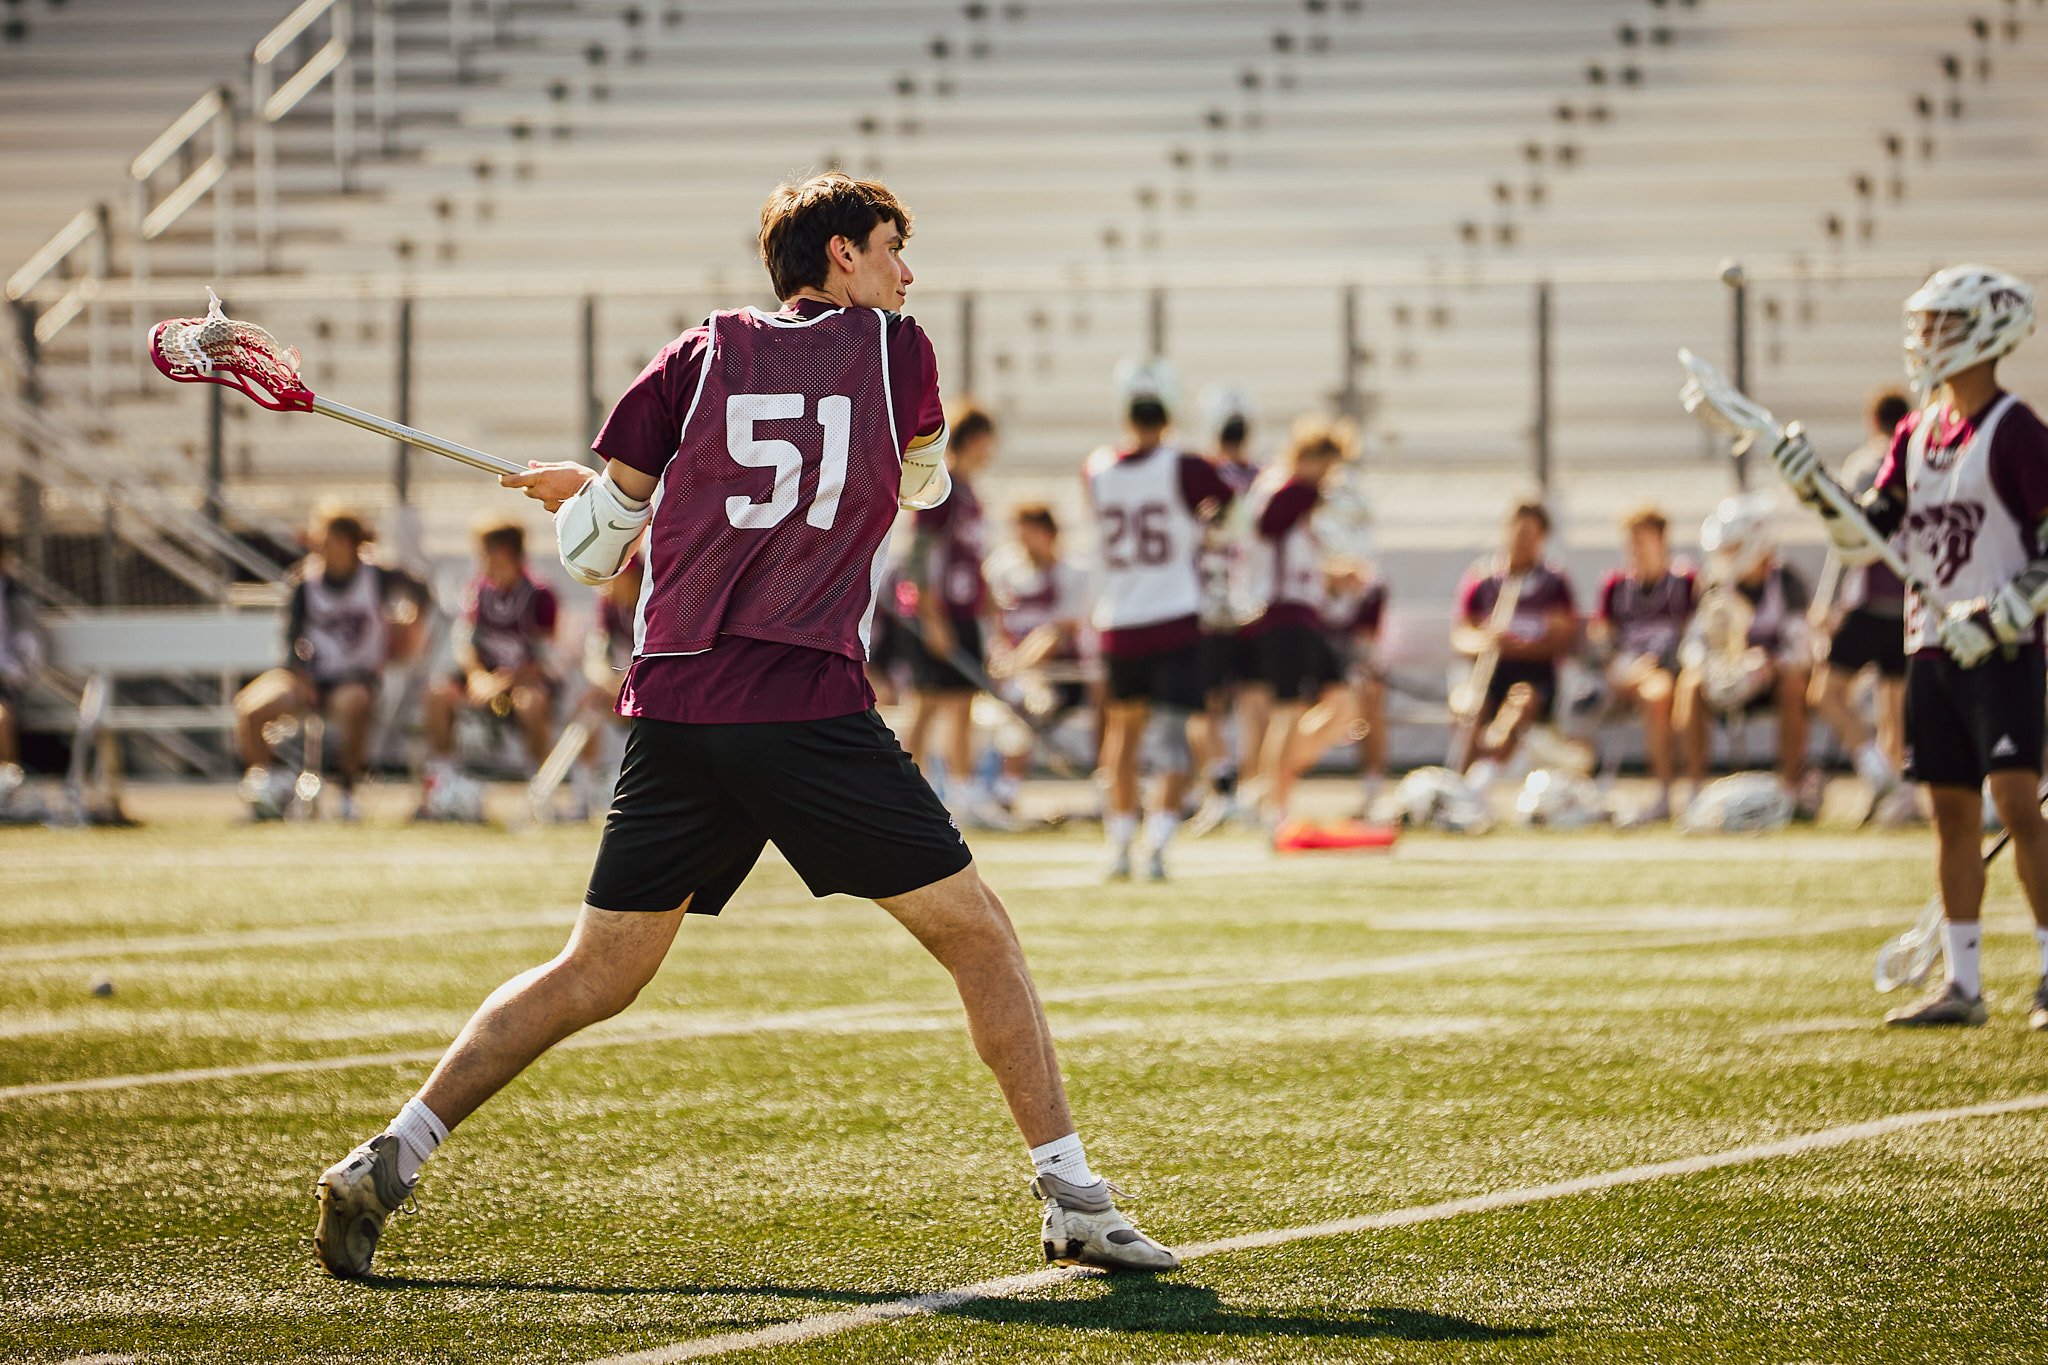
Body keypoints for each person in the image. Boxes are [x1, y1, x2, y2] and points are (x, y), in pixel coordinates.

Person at [313, 172, 1175, 1279]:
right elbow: (908, 486)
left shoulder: (694, 354)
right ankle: (1070, 1194)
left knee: (595, 973)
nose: (906, 273)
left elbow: (592, 554)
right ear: (838, 259)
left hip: (673, 704)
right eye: (889, 249)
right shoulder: (896, 352)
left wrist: (586, 498)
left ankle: (393, 1152)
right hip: (801, 699)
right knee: (979, 939)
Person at [1772, 265, 2048, 1030]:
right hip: (1931, 648)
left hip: (2001, 649)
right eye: (1925, 324)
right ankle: (1964, 983)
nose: (1926, 340)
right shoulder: (1916, 431)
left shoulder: (2016, 430)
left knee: (2018, 804)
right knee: (1951, 812)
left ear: (1989, 331)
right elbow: (1867, 536)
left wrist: (1998, 615)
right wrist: (1814, 489)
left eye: (1944, 324)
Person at [1084, 360, 1235, 879]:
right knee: (1170, 735)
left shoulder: (1096, 467)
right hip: (1172, 614)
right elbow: (1226, 508)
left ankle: (1119, 843)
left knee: (1123, 735)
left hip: (1119, 617)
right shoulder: (1186, 466)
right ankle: (1156, 845)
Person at [231, 509, 423, 821]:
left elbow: (421, 592)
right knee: (249, 708)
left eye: (327, 539)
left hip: (354, 677)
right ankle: (273, 784)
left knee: (355, 703)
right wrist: (300, 675)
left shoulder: (377, 575)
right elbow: (289, 640)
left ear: (348, 543)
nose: (319, 546)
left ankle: (347, 789)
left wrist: (411, 628)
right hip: (310, 676)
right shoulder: (305, 582)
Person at [1236, 416, 1361, 827]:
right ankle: (1272, 801)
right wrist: (1307, 491)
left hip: (1303, 614)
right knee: (1287, 711)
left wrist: (1334, 574)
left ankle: (1269, 783)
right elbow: (1266, 525)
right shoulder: (1283, 489)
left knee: (1343, 705)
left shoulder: (1293, 498)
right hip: (1281, 615)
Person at [1808, 388, 1913, 818]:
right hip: (1909, 603)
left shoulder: (1868, 467)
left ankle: (1875, 771)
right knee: (1893, 707)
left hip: (1871, 602)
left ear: (1873, 423)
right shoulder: (1920, 463)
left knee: (1827, 693)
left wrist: (1827, 601)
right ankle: (1894, 791)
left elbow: (1847, 542)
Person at [1672, 495, 1814, 810]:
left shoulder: (1786, 581)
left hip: (1772, 678)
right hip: (1725, 677)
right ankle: (1695, 789)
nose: (1726, 556)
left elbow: (1802, 648)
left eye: (1733, 547)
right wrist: (1713, 667)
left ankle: (1790, 789)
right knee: (1690, 685)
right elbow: (1693, 644)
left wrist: (1770, 666)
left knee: (1794, 686)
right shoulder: (1713, 585)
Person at [420, 521, 559, 818]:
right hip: (484, 683)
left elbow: (545, 660)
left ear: (506, 553)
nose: (482, 561)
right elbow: (465, 643)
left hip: (522, 683)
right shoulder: (478, 590)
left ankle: (541, 788)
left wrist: (502, 683)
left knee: (532, 704)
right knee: (438, 695)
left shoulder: (539, 595)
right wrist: (478, 677)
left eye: (487, 553)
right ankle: (443, 781)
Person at [901, 402, 998, 821]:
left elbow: (970, 556)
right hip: (937, 614)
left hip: (961, 612)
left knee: (961, 705)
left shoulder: (971, 493)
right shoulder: (943, 487)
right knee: (925, 706)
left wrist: (988, 600)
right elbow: (919, 558)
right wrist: (933, 619)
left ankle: (963, 791)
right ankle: (908, 795)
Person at [1451, 501, 1578, 786]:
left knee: (1520, 703)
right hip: (1487, 675)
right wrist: (1487, 642)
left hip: (1534, 677)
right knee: (1468, 707)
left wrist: (1517, 646)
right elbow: (1462, 634)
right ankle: (1460, 781)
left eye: (1529, 534)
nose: (1521, 541)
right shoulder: (1482, 579)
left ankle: (1481, 779)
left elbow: (1561, 640)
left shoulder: (1554, 584)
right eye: (1517, 532)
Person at [1188, 387, 1266, 832]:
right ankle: (1248, 791)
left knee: (1207, 705)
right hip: (1250, 600)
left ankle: (1221, 788)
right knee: (1252, 701)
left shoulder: (1203, 474)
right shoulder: (1261, 477)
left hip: (1210, 600)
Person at [1588, 507, 1696, 823]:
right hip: (1625, 674)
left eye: (1641, 540)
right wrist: (1621, 667)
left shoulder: (1685, 582)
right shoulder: (1615, 586)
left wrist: (1661, 662)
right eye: (1630, 541)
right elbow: (1602, 640)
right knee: (1580, 700)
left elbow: (1694, 636)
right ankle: (1584, 797)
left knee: (1661, 692)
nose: (1634, 549)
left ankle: (1674, 793)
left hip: (1673, 671)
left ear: (1661, 541)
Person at [984, 502, 1094, 810]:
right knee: (1018, 698)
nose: (1023, 542)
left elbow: (1059, 633)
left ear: (1049, 534)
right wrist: (1000, 656)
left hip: (1063, 674)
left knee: (1025, 697)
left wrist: (1015, 665)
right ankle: (1000, 786)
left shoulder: (1072, 572)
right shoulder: (1004, 570)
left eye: (1030, 533)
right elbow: (994, 625)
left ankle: (1006, 786)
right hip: (1013, 670)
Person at [0, 532, 42, 811]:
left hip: (4, 672)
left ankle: (8, 780)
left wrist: (19, 669)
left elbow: (28, 640)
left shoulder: (11, 592)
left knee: (2, 715)